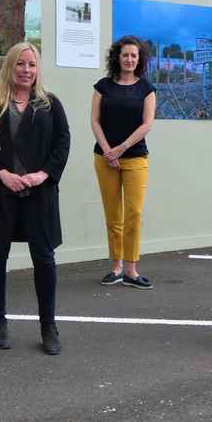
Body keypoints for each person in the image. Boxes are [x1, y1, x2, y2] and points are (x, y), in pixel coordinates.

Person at [0, 42, 70, 354]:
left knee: (44, 258)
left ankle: (48, 326)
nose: (26, 70)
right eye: (20, 64)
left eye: (32, 65)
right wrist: (3, 174)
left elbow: (63, 142)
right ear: (9, 67)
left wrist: (43, 174)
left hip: (39, 193)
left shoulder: (49, 104)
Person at [92, 35, 156, 290]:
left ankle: (131, 269)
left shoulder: (146, 89)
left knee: (134, 214)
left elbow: (147, 124)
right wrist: (108, 151)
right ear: (117, 57)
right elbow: (95, 121)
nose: (129, 59)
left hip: (135, 157)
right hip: (104, 158)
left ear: (139, 60)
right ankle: (116, 267)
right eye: (125, 54)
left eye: (134, 55)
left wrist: (121, 149)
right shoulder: (102, 86)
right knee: (112, 215)